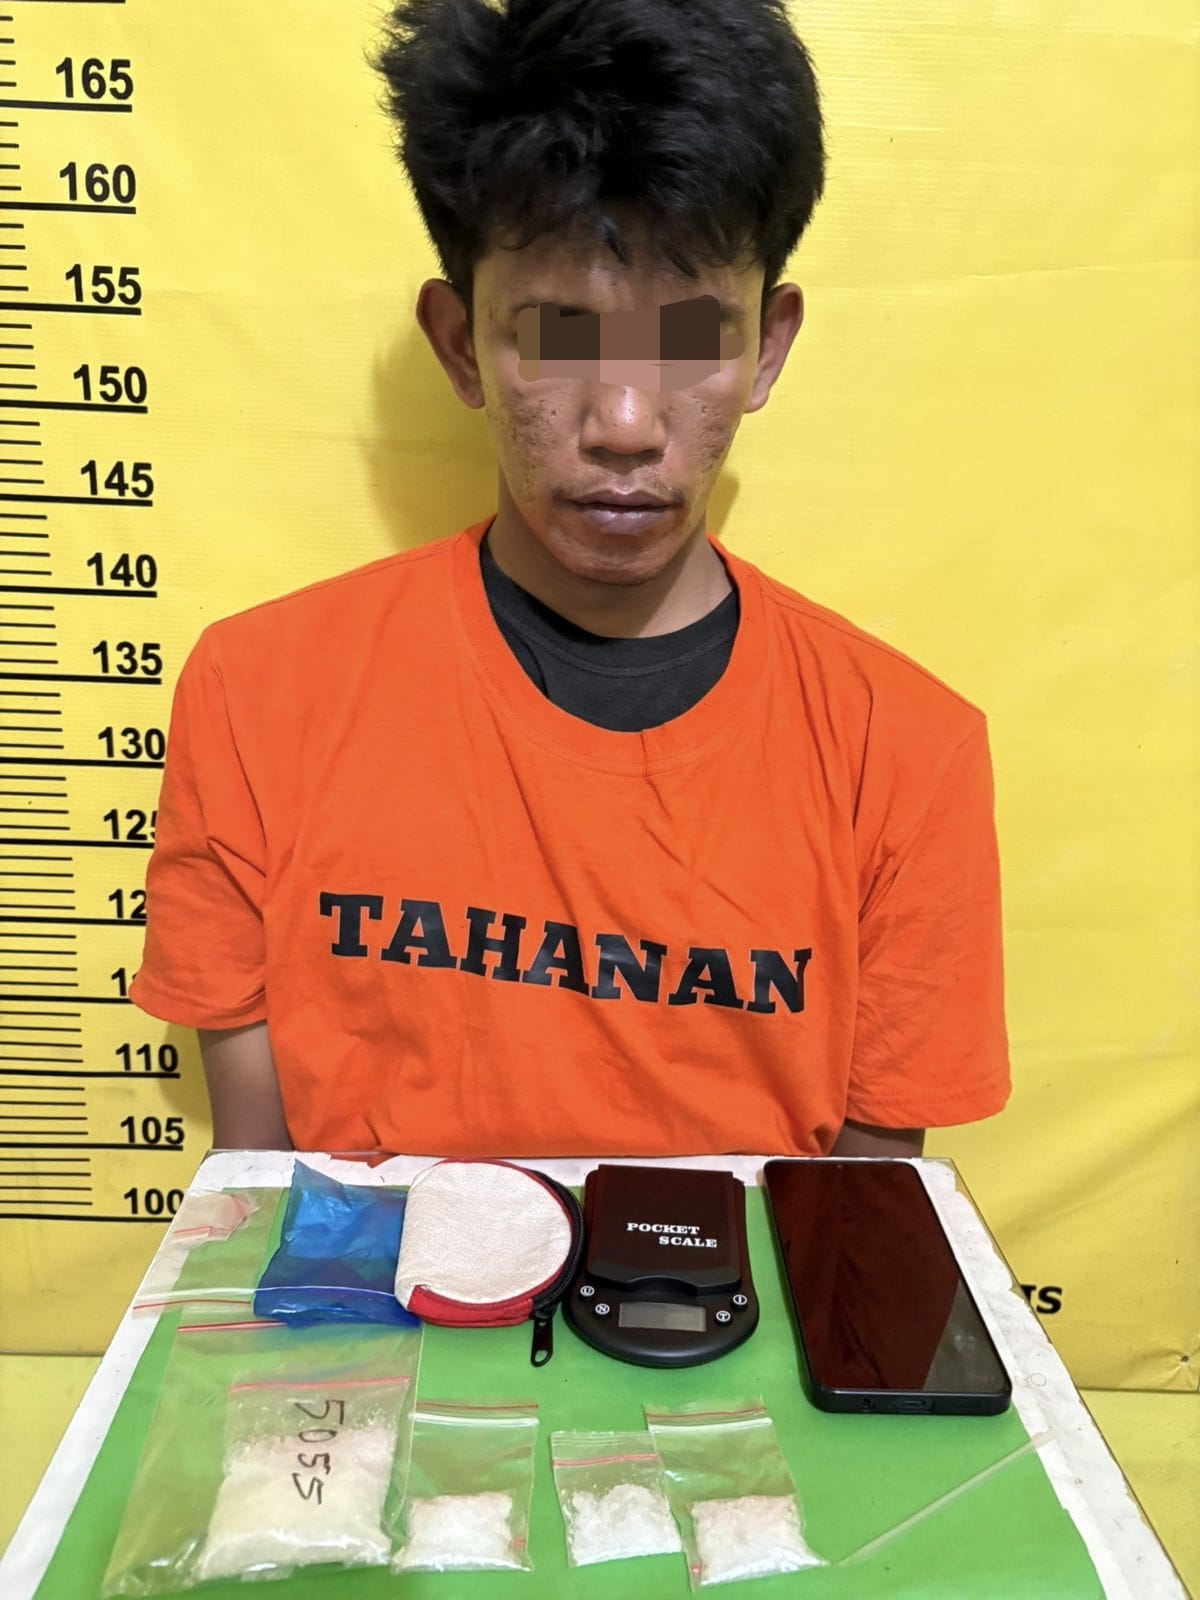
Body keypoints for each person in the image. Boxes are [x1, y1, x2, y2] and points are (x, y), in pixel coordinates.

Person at [130, 0, 1010, 1158]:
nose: (625, 423)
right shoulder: (261, 696)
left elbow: (861, 1228)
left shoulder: (901, 757)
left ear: (767, 348)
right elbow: (259, 1208)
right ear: (461, 345)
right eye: (557, 335)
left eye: (692, 338)